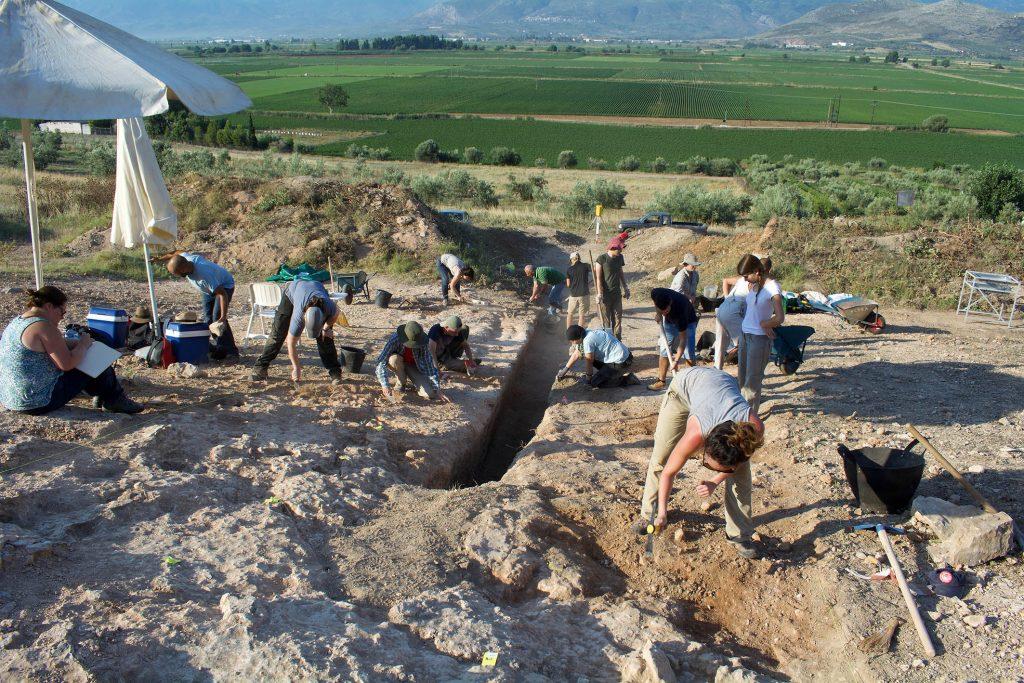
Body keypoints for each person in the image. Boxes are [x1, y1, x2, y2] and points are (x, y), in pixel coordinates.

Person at [636, 366, 765, 558]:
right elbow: (669, 472)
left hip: (722, 383)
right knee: (662, 457)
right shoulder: (697, 432)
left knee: (742, 477)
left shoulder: (752, 429)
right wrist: (662, 512)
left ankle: (739, 534)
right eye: (706, 464)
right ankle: (650, 514)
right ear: (705, 447)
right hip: (684, 387)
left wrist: (715, 480)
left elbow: (737, 464)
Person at [0, 287, 143, 415]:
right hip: (37, 401)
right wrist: (83, 345)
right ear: (49, 306)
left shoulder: (19, 322)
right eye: (62, 311)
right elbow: (66, 364)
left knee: (88, 354)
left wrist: (80, 344)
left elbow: (54, 344)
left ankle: (104, 396)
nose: (62, 317)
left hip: (12, 398)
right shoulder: (44, 327)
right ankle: (114, 399)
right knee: (94, 359)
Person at [250, 279, 343, 383]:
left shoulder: (329, 307)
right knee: (278, 333)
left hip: (317, 286)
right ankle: (260, 367)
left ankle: (335, 371)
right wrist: (296, 368)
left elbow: (336, 314)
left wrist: (325, 328)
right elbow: (290, 343)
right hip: (292, 292)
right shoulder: (298, 317)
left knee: (326, 337)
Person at [166, 253, 238, 357]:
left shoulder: (204, 274)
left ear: (183, 269)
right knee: (207, 319)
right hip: (209, 290)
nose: (176, 276)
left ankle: (231, 351)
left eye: (176, 273)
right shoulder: (186, 258)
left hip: (224, 286)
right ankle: (218, 347)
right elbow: (177, 253)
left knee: (217, 318)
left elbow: (222, 294)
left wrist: (223, 317)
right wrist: (160, 258)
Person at [736, 254, 784, 411]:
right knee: (742, 378)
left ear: (757, 271)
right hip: (745, 335)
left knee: (752, 382)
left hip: (759, 339)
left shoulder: (773, 288)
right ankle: (742, 413)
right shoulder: (755, 285)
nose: (745, 280)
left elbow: (780, 317)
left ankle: (748, 420)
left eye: (746, 276)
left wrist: (765, 324)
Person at [375, 322, 448, 402]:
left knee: (430, 394)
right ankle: (401, 382)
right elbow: (381, 362)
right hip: (398, 363)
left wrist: (437, 389)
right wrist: (385, 385)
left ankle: (415, 382)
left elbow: (429, 366)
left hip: (414, 366)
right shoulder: (395, 339)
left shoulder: (423, 341)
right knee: (394, 359)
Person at [648, 287, 699, 391]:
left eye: (666, 311)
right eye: (662, 312)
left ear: (670, 303)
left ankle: (689, 386)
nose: (664, 313)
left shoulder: (680, 312)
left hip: (689, 322)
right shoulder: (656, 293)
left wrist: (676, 360)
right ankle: (661, 381)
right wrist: (658, 314)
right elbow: (656, 303)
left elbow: (682, 340)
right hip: (669, 323)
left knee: (689, 352)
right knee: (664, 349)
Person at [557, 325, 634, 388]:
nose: (572, 342)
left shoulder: (588, 341)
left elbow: (589, 362)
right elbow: (576, 353)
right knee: (588, 356)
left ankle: (627, 380)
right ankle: (606, 373)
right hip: (620, 357)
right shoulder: (585, 333)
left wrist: (588, 379)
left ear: (578, 337)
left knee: (595, 383)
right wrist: (565, 370)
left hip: (622, 362)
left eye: (572, 340)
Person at [594, 240, 629, 340]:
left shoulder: (620, 257)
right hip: (605, 295)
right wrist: (600, 293)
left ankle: (618, 340)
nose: (621, 250)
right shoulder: (601, 259)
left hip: (616, 293)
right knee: (606, 320)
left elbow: (620, 272)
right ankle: (608, 340)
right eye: (619, 248)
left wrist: (625, 287)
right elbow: (598, 278)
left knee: (618, 318)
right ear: (612, 248)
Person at [565, 252, 591, 330]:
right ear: (579, 258)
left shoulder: (569, 269)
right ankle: (578, 334)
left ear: (571, 260)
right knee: (581, 315)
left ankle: (568, 331)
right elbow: (595, 270)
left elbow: (568, 285)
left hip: (573, 295)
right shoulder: (586, 266)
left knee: (570, 313)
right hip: (584, 294)